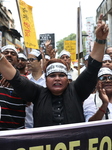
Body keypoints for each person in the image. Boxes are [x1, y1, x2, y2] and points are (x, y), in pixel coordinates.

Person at [0, 14, 109, 128]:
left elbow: (93, 68)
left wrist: (100, 40)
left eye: (61, 75)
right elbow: (15, 78)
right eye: (52, 75)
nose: (57, 78)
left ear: (67, 79)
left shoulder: (77, 90)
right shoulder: (37, 93)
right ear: (46, 79)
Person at [0, 45, 27, 130]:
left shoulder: (24, 81)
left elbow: (29, 101)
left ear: (18, 61)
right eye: (5, 53)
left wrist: (14, 80)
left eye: (13, 53)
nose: (9, 55)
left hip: (15, 134)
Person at [25, 49, 46, 128]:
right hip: (28, 126)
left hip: (45, 126)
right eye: (27, 60)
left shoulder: (48, 80)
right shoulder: (25, 80)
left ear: (40, 61)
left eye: (31, 60)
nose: (28, 62)